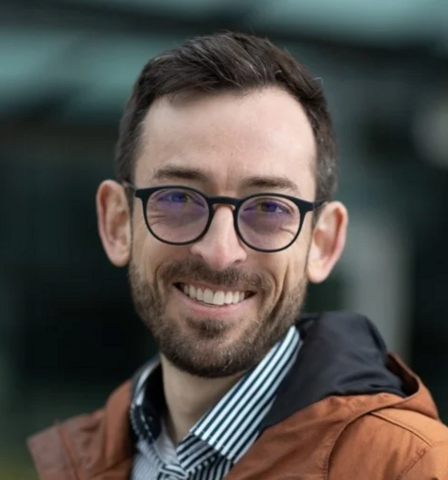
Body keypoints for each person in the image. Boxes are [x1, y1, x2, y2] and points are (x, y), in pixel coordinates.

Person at [28, 31, 448, 480]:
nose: (219, 252)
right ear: (117, 223)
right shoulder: (77, 465)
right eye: (177, 199)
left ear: (323, 243)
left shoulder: (409, 467)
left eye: (269, 207)